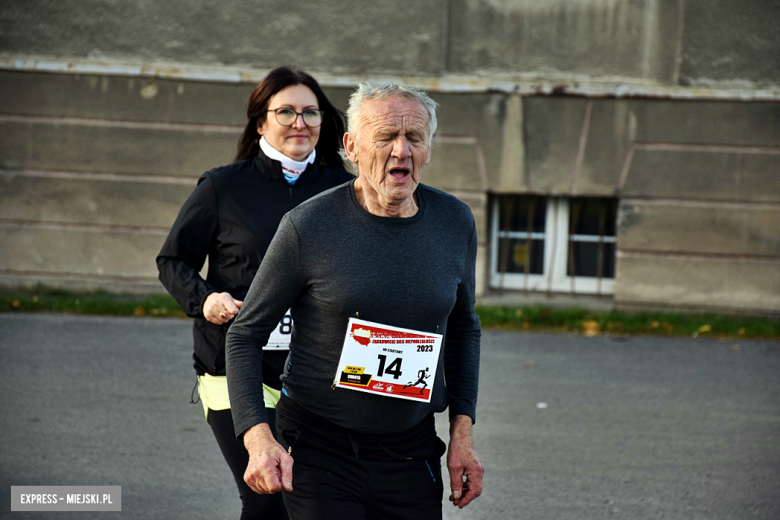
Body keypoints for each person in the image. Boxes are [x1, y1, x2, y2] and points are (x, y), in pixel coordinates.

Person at [226, 82, 484, 519]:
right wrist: (258, 437)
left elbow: (463, 328)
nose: (401, 151)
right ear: (351, 147)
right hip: (320, 447)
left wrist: (462, 435)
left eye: (415, 138)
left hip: (409, 449)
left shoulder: (454, 221)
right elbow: (244, 335)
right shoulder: (307, 227)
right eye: (385, 137)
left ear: (428, 148)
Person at [156, 66, 354, 520]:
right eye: (285, 111)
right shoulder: (223, 186)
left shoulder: (343, 191)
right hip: (233, 364)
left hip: (313, 372)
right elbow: (172, 261)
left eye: (311, 112)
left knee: (308, 499)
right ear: (260, 121)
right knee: (267, 497)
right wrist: (205, 299)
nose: (300, 123)